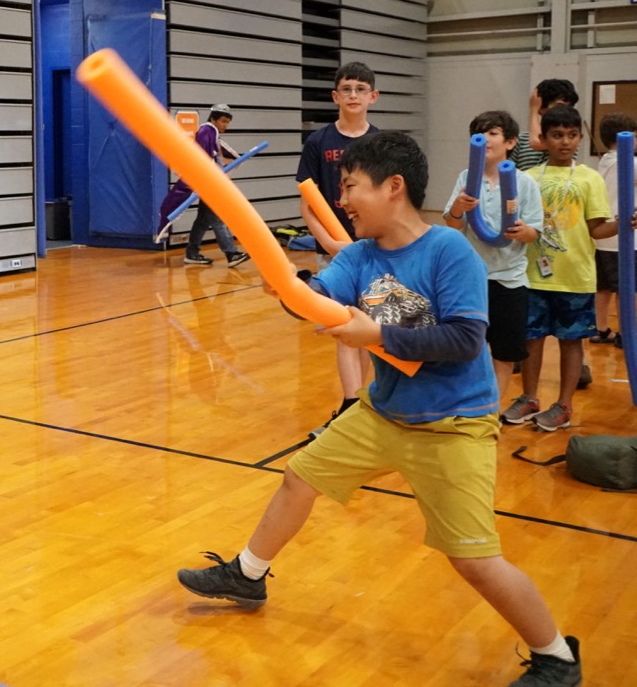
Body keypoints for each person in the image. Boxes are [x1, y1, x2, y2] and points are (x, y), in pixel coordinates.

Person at [176, 131, 582, 687]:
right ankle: (248, 574)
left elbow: (465, 340)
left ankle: (557, 657)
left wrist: (379, 335)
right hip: (384, 411)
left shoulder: (448, 250)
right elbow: (321, 299)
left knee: (473, 559)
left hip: (453, 425)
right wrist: (290, 288)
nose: (342, 199)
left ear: (393, 187)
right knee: (299, 477)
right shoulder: (360, 255)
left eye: (350, 187)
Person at [502, 106, 618, 432]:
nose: (565, 142)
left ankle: (564, 405)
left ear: (579, 138)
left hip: (575, 278)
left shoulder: (589, 178)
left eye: (571, 135)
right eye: (557, 135)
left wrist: (622, 224)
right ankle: (529, 397)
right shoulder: (527, 178)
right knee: (531, 340)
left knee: (571, 342)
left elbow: (597, 229)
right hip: (532, 276)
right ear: (544, 139)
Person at [296, 62, 379, 437]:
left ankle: (358, 407)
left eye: (361, 89)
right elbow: (308, 204)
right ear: (335, 96)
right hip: (334, 252)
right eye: (346, 89)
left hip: (373, 249)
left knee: (366, 331)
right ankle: (350, 407)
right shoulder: (318, 142)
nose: (353, 95)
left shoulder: (380, 144)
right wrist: (331, 243)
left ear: (373, 96)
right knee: (343, 327)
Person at [443, 110, 544, 401]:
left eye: (493, 133)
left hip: (509, 279)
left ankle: (492, 409)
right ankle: (467, 404)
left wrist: (523, 231)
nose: (485, 139)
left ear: (510, 142)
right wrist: (459, 207)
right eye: (479, 133)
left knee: (504, 351)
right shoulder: (466, 178)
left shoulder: (524, 183)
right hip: (471, 278)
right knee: (468, 347)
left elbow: (534, 232)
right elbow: (452, 224)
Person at [159, 104, 250, 267]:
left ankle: (192, 253)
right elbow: (202, 158)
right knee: (217, 218)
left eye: (228, 122)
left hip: (208, 183)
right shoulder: (207, 131)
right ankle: (231, 253)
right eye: (223, 121)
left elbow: (218, 155)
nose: (226, 125)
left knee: (203, 220)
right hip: (208, 184)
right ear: (213, 119)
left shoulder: (211, 132)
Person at [588, 112, 637, 347]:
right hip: (622, 238)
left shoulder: (604, 162)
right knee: (627, 289)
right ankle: (627, 333)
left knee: (604, 287)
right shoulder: (629, 163)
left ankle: (601, 329)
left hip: (603, 236)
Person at [511, 79, 579, 171]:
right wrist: (534, 109)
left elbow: (536, 142)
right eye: (559, 106)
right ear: (541, 107)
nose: (564, 111)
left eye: (569, 107)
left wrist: (534, 110)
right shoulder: (521, 140)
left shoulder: (569, 138)